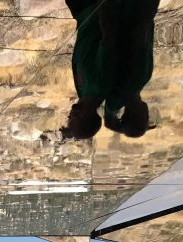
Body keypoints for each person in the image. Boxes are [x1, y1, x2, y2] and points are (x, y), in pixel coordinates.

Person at [61, 0, 159, 140]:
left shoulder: (93, 92)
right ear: (85, 117)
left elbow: (109, 116)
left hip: (87, 13)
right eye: (73, 120)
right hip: (97, 8)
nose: (69, 116)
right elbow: (111, 38)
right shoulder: (105, 84)